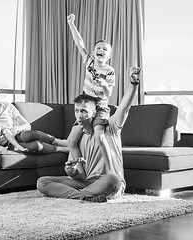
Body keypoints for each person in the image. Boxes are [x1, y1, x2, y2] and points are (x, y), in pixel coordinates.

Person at [37, 66, 141, 202]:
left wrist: (133, 84)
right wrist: (71, 171)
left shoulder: (110, 127)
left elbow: (125, 108)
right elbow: (79, 177)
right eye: (77, 111)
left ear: (94, 113)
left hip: (107, 182)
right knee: (42, 182)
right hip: (85, 182)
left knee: (112, 179)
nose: (79, 115)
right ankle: (84, 196)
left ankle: (77, 195)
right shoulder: (76, 137)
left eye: (84, 111)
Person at [0, 80, 68, 154]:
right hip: (5, 143)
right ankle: (60, 149)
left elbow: (27, 125)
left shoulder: (8, 107)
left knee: (29, 135)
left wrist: (16, 128)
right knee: (36, 146)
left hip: (14, 136)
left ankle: (57, 141)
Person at [66, 13, 115, 171]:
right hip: (86, 106)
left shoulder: (109, 71)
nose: (101, 50)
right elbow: (79, 43)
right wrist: (71, 24)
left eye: (104, 49)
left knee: (99, 137)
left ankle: (110, 170)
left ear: (108, 55)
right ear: (94, 52)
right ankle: (81, 172)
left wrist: (103, 84)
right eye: (98, 48)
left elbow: (108, 95)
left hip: (100, 107)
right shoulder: (90, 63)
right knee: (71, 141)